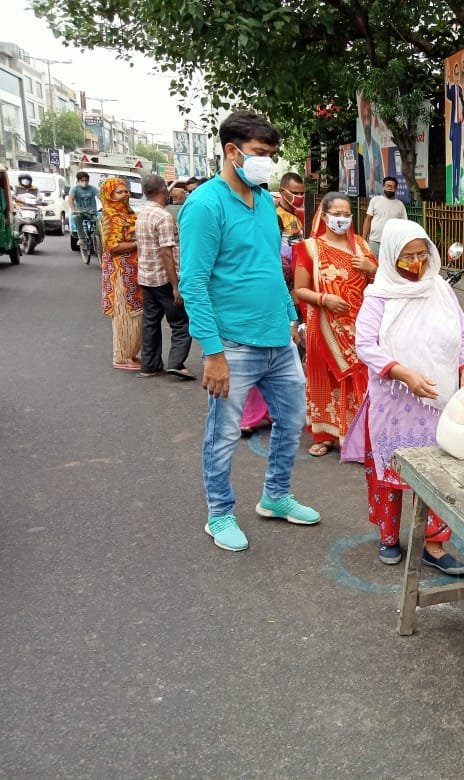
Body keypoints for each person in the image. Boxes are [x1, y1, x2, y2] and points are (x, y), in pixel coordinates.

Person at [179, 110, 317, 553]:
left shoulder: (263, 203)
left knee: (293, 420)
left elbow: (270, 269)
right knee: (222, 433)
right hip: (234, 344)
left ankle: (275, 496)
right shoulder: (205, 205)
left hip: (278, 339)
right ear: (231, 150)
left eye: (272, 155)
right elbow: (193, 283)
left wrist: (291, 319)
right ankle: (219, 514)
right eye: (260, 154)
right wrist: (213, 353)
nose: (267, 163)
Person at [349, 219, 464, 575]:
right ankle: (389, 536)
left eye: (422, 253)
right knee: (392, 468)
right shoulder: (379, 296)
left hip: (439, 398)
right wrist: (402, 372)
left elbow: (463, 332)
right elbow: (365, 346)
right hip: (394, 400)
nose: (416, 262)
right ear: (390, 257)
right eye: (407, 256)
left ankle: (433, 544)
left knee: (438, 472)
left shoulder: (440, 290)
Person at [292, 192, 377, 457]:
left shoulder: (361, 247)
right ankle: (325, 434)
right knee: (324, 378)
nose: (342, 219)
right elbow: (299, 290)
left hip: (360, 325)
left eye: (346, 214)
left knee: (360, 377)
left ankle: (359, 435)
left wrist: (371, 268)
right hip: (324, 325)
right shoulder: (310, 248)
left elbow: (381, 284)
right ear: (324, 215)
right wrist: (324, 299)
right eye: (336, 214)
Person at [136, 174, 194, 380]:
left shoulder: (142, 214)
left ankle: (149, 365)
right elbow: (166, 253)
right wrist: (175, 286)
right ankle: (176, 363)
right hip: (163, 278)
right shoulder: (163, 217)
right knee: (181, 322)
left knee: (151, 321)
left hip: (146, 276)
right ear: (163, 189)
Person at [98, 177, 143, 371]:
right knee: (125, 315)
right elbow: (113, 246)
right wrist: (139, 243)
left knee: (137, 315)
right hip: (120, 273)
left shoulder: (128, 213)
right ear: (109, 195)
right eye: (119, 192)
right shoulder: (110, 216)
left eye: (126, 191)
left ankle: (131, 353)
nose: (125, 195)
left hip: (133, 270)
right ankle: (122, 357)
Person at [362, 176, 407, 260]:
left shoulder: (400, 205)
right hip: (374, 241)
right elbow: (368, 220)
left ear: (395, 189)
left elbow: (404, 225)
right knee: (372, 264)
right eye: (388, 186)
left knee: (388, 267)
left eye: (392, 186)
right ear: (383, 187)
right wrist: (363, 239)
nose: (390, 188)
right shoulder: (375, 200)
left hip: (391, 243)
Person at [276, 171, 307, 287]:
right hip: (284, 277)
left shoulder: (296, 216)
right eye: (295, 193)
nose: (299, 197)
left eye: (301, 193)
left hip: (297, 273)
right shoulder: (278, 216)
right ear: (282, 192)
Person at [445, 62, 464, 202]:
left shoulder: (460, 88)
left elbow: (463, 105)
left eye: (459, 73)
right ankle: (453, 192)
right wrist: (447, 78)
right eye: (455, 73)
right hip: (453, 128)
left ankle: (457, 192)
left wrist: (462, 114)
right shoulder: (453, 89)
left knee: (458, 160)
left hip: (459, 127)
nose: (457, 75)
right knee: (453, 161)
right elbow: (448, 95)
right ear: (454, 74)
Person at [359, 95, 385, 198]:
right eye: (364, 118)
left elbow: (382, 176)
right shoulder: (361, 147)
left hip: (378, 192)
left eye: (368, 118)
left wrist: (375, 182)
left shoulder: (377, 146)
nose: (366, 122)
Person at [68, 172, 100, 250]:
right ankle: (82, 238)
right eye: (82, 180)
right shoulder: (74, 189)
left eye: (86, 180)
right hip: (80, 212)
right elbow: (70, 200)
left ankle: (99, 239)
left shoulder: (93, 188)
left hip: (92, 212)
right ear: (78, 181)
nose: (84, 182)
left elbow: (101, 197)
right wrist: (74, 210)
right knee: (76, 217)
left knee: (100, 221)